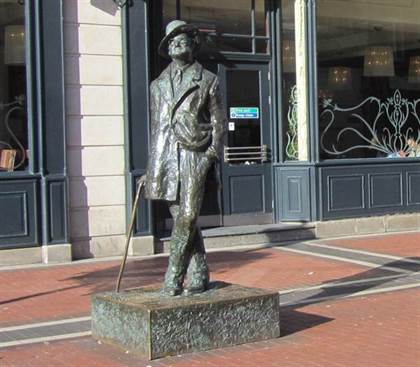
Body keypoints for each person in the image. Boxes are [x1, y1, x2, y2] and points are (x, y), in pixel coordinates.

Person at [145, 20, 226, 296]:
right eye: (172, 40)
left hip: (195, 153)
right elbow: (156, 127)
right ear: (167, 48)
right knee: (183, 218)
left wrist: (210, 155)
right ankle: (200, 272)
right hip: (166, 157)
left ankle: (173, 276)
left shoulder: (208, 80)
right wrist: (152, 166)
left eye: (183, 38)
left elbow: (219, 123)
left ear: (194, 44)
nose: (177, 42)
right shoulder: (156, 86)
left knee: (189, 216)